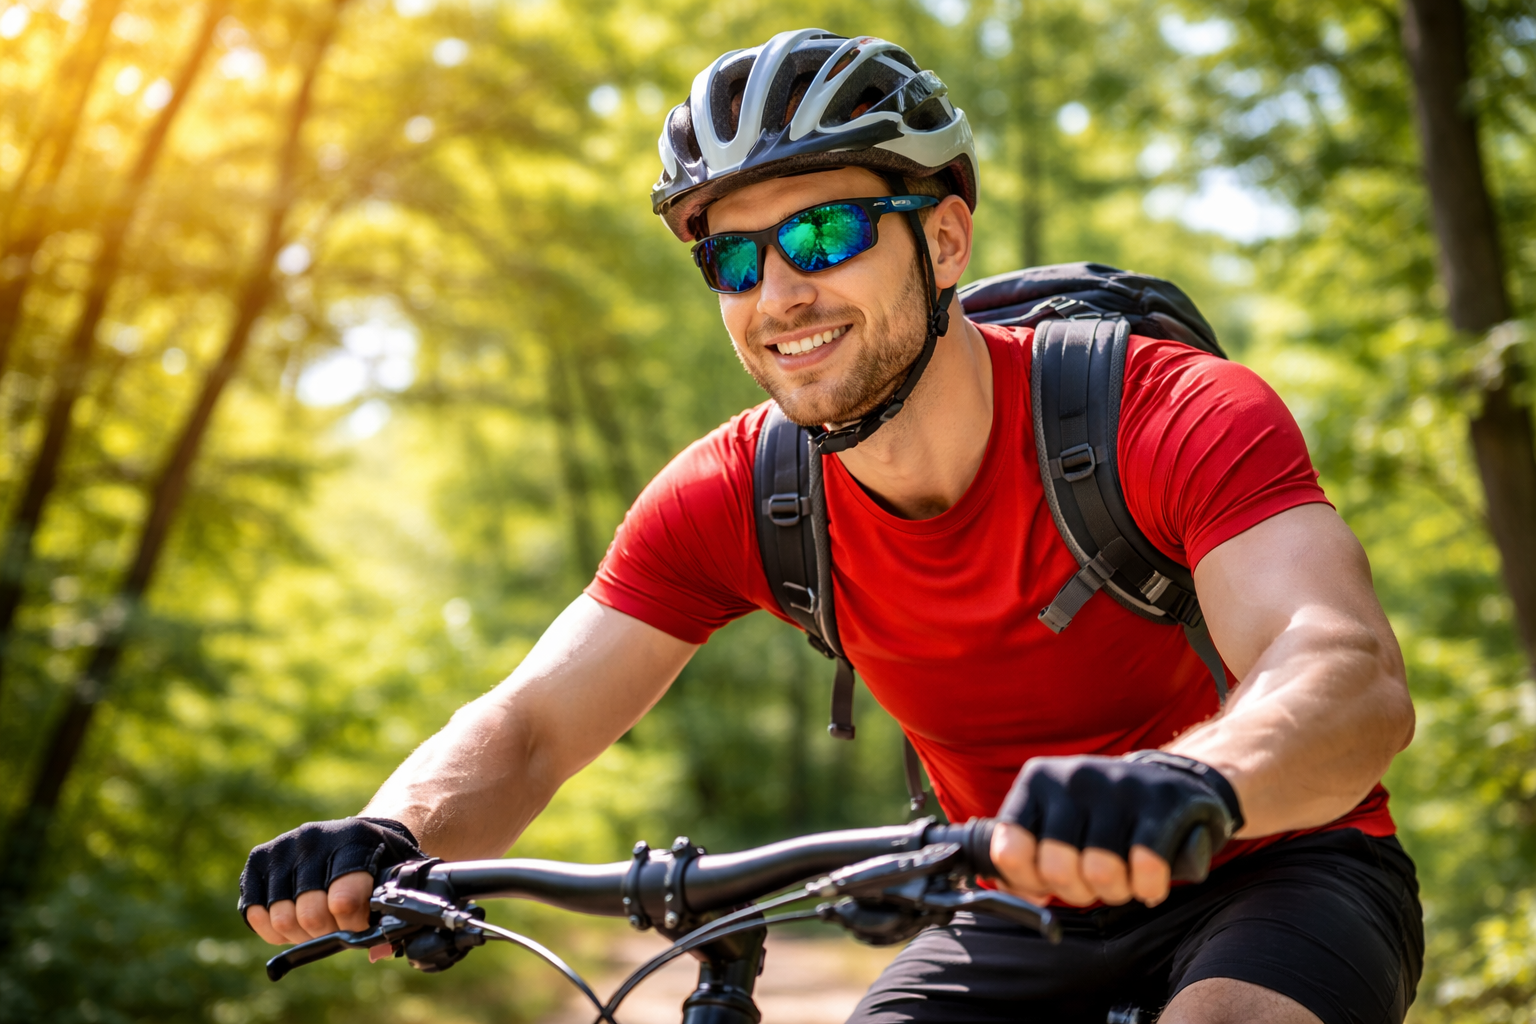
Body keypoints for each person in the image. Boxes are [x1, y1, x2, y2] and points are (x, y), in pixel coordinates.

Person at [239, 29, 1422, 1024]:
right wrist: (390, 834)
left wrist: (1189, 777)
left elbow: (1343, 670)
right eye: (733, 258)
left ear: (944, 238)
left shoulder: (1158, 409)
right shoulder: (743, 492)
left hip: (1277, 863)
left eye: (822, 236)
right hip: (1016, 902)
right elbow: (534, 724)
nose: (777, 293)